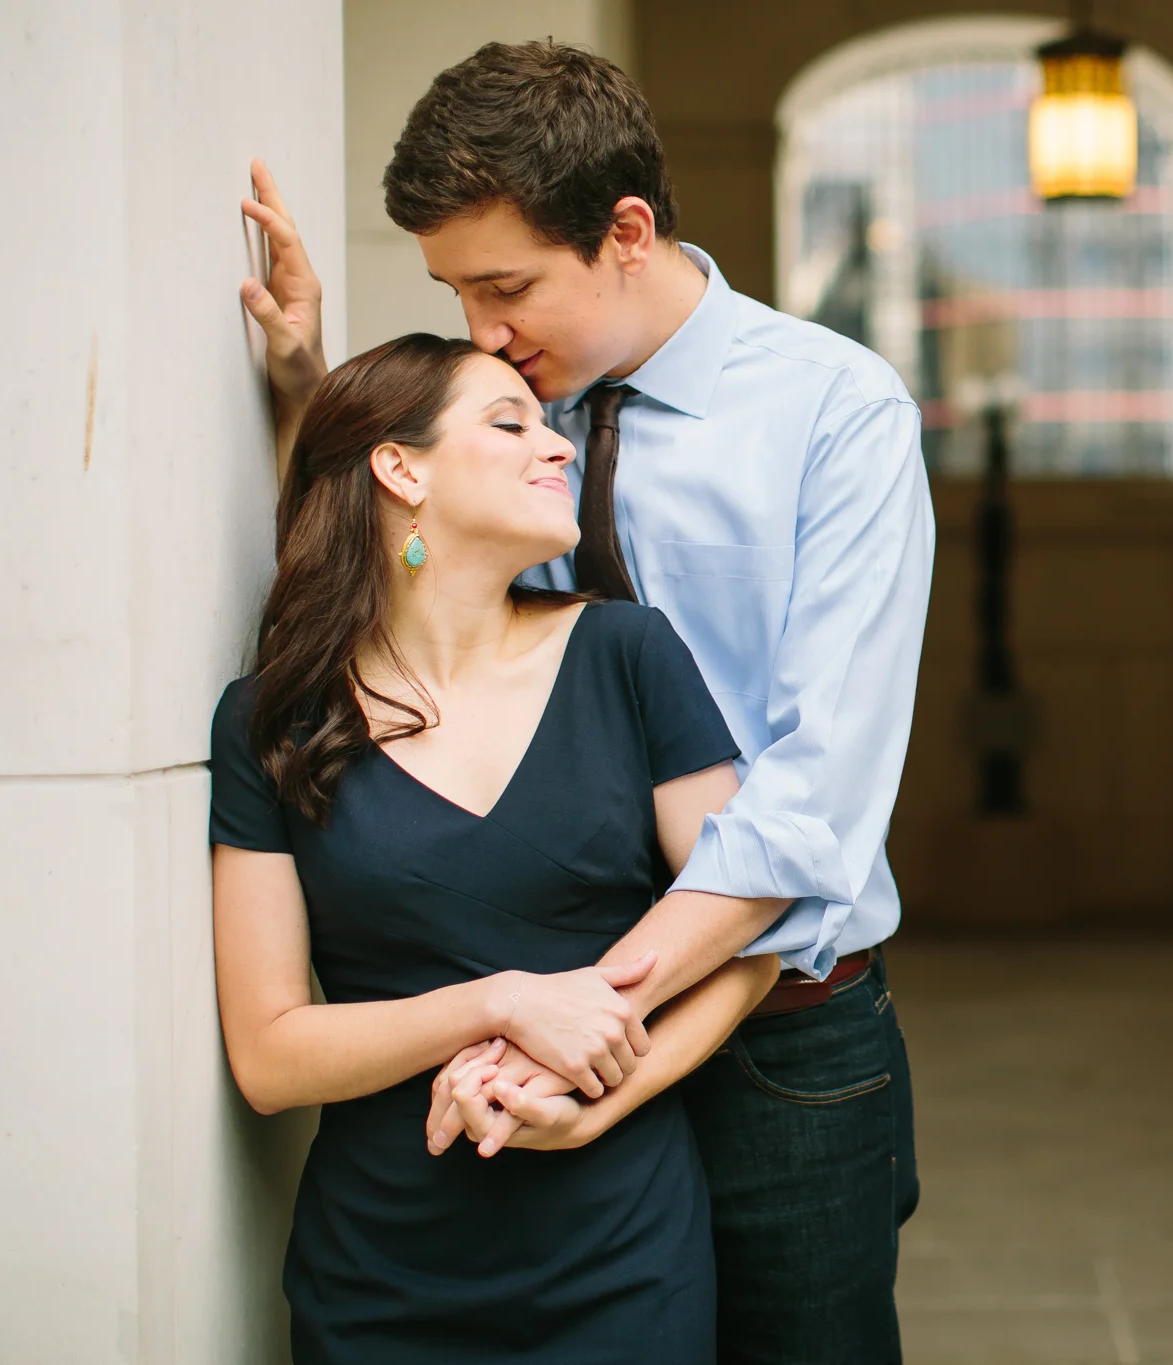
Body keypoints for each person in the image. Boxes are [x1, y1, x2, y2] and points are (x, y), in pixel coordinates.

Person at [240, 40, 934, 1364]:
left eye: (506, 288)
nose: (485, 334)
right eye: (456, 293)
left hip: (780, 1039)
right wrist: (308, 397)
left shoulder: (837, 413)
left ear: (626, 231)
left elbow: (812, 800)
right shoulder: (517, 428)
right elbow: (410, 579)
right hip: (542, 1027)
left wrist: (575, 1023)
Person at [211, 333, 782, 1363]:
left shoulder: (626, 654)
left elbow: (750, 939)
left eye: (545, 421)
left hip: (621, 1252)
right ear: (400, 469)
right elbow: (267, 1057)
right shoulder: (273, 718)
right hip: (380, 1270)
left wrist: (600, 1104)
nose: (555, 444)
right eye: (508, 421)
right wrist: (499, 1002)